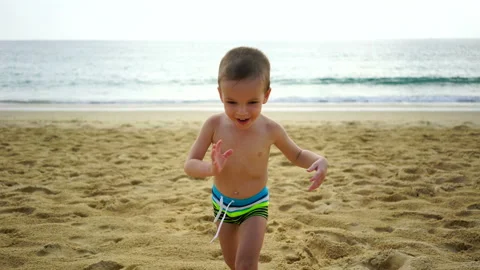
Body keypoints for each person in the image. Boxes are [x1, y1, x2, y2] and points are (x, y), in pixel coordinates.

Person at [184, 47, 328, 270]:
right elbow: (190, 165)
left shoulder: (270, 129)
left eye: (252, 102)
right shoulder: (213, 125)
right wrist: (211, 168)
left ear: (266, 95)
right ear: (220, 94)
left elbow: (297, 154)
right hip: (222, 205)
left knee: (246, 264)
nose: (242, 111)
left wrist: (317, 160)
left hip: (254, 206)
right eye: (231, 102)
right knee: (232, 262)